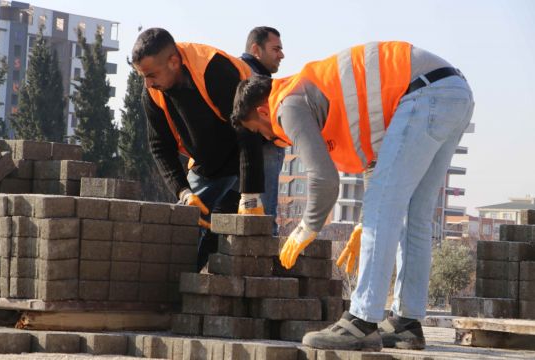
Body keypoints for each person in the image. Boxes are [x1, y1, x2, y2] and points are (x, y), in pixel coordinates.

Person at [231, 41, 474, 351]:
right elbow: (377, 164)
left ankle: (361, 320)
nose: (272, 137)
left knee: (387, 209)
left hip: (424, 92)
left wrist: (306, 228)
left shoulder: (286, 103)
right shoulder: (321, 97)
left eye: (262, 130)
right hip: (452, 92)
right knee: (415, 215)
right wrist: (364, 222)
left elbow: (324, 178)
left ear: (262, 110)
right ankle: (406, 324)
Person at [131, 28, 266, 271]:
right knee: (185, 228)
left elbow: (248, 129)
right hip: (207, 160)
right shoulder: (152, 92)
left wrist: (251, 194)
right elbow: (160, 146)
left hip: (253, 148)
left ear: (174, 61)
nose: (147, 83)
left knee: (233, 234)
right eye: (143, 76)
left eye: (151, 74)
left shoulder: (214, 69)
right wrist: (183, 192)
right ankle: (181, 292)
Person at [240, 26, 286, 235]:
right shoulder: (256, 80)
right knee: (263, 225)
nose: (282, 55)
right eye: (276, 49)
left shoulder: (240, 71)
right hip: (263, 153)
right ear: (256, 49)